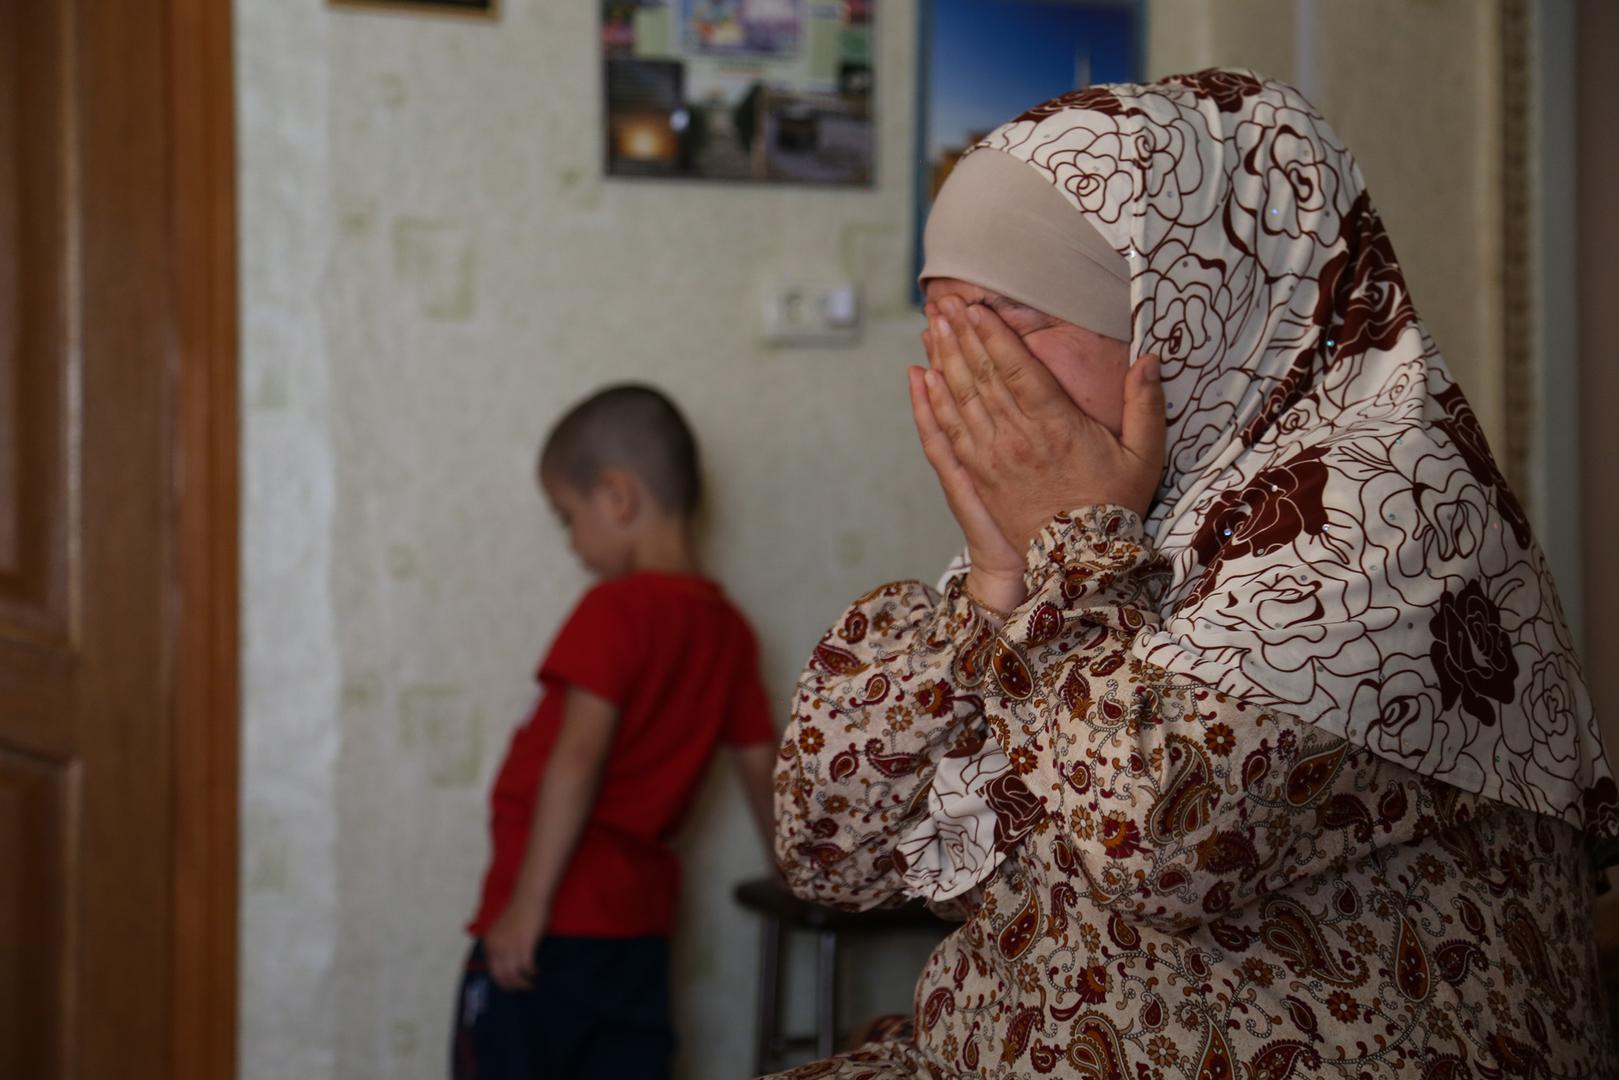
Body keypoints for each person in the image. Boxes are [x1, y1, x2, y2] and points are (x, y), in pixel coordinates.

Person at [768, 70, 1618, 1078]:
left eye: (1008, 321)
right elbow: (833, 852)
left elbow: (1154, 842)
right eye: (941, 322)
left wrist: (1070, 549)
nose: (967, 373)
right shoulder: (1113, 519)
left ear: (1180, 312)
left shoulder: (1390, 512)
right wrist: (999, 576)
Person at [451, 384, 778, 1080]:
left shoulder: (614, 610)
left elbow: (576, 759)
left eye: (566, 517)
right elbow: (763, 770)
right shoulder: (729, 631)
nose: (571, 543)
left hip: (550, 928)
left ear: (617, 497)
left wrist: (525, 910)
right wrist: (800, 877)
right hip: (638, 935)